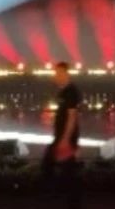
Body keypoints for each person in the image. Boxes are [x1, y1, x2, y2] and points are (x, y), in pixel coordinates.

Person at [43, 61, 82, 208]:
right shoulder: (63, 92)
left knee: (64, 170)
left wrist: (65, 139)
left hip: (66, 138)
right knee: (62, 169)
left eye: (59, 73)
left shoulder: (71, 92)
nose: (56, 76)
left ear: (66, 73)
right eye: (56, 73)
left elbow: (72, 117)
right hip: (60, 137)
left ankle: (68, 200)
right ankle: (63, 197)